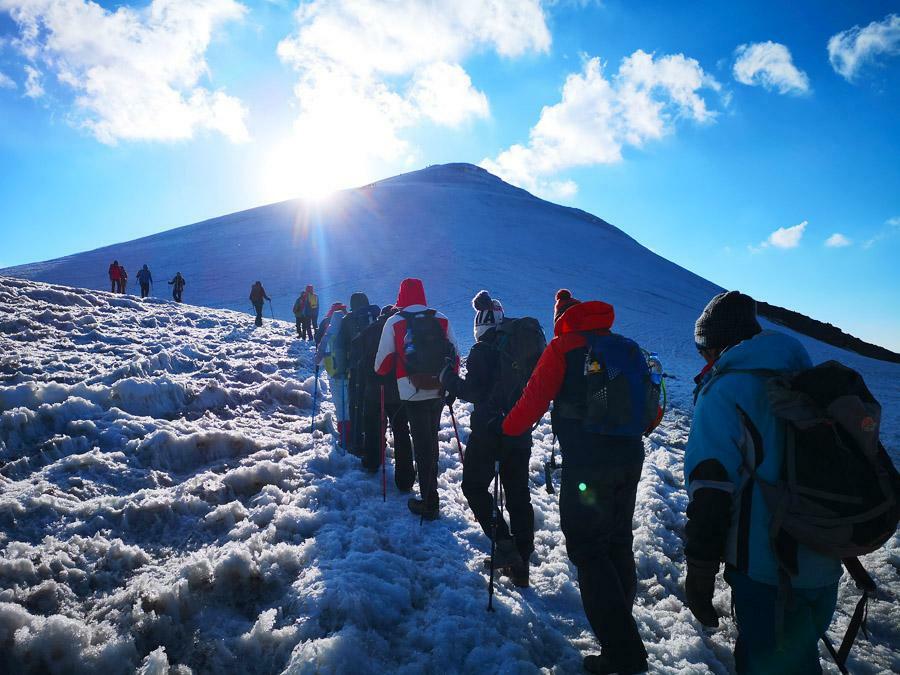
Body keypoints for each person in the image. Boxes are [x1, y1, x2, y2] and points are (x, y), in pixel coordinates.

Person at [683, 291, 842, 675]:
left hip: (768, 570)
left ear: (719, 343)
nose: (704, 358)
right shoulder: (804, 377)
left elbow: (711, 492)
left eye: (704, 348)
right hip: (825, 557)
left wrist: (700, 575)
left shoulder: (725, 392)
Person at [501, 289, 649, 674]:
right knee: (618, 541)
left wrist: (506, 428)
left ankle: (624, 652)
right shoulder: (627, 348)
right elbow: (651, 411)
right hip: (630, 456)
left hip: (588, 463)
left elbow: (532, 403)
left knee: (588, 548)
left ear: (561, 319)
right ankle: (618, 635)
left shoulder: (563, 348)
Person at [440, 291, 535, 587]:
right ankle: (521, 563)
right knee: (518, 495)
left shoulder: (483, 350)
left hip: (489, 431)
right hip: (519, 429)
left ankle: (505, 548)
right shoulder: (518, 347)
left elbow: (475, 391)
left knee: (474, 486)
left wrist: (449, 380)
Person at [374, 278, 458, 520]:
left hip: (411, 389)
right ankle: (431, 489)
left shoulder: (395, 321)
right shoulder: (440, 318)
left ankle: (430, 502)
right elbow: (455, 354)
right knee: (431, 438)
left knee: (421, 441)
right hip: (439, 387)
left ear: (401, 295)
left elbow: (382, 364)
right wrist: (449, 383)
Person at [357, 304, 415, 484]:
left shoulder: (371, 329)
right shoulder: (401, 328)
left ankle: (372, 463)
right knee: (401, 430)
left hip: (375, 389)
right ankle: (405, 478)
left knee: (373, 427)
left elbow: (360, 355)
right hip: (398, 389)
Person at [339, 292, 381, 457]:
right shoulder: (377, 315)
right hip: (377, 368)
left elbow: (342, 345)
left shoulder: (348, 319)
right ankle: (376, 442)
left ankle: (357, 442)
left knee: (355, 404)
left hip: (356, 368)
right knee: (374, 405)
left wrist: (343, 368)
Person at [316, 302, 350, 448]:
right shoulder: (352, 330)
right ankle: (355, 435)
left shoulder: (328, 333)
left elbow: (318, 360)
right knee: (351, 406)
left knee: (340, 407)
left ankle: (344, 437)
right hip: (351, 376)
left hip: (334, 376)